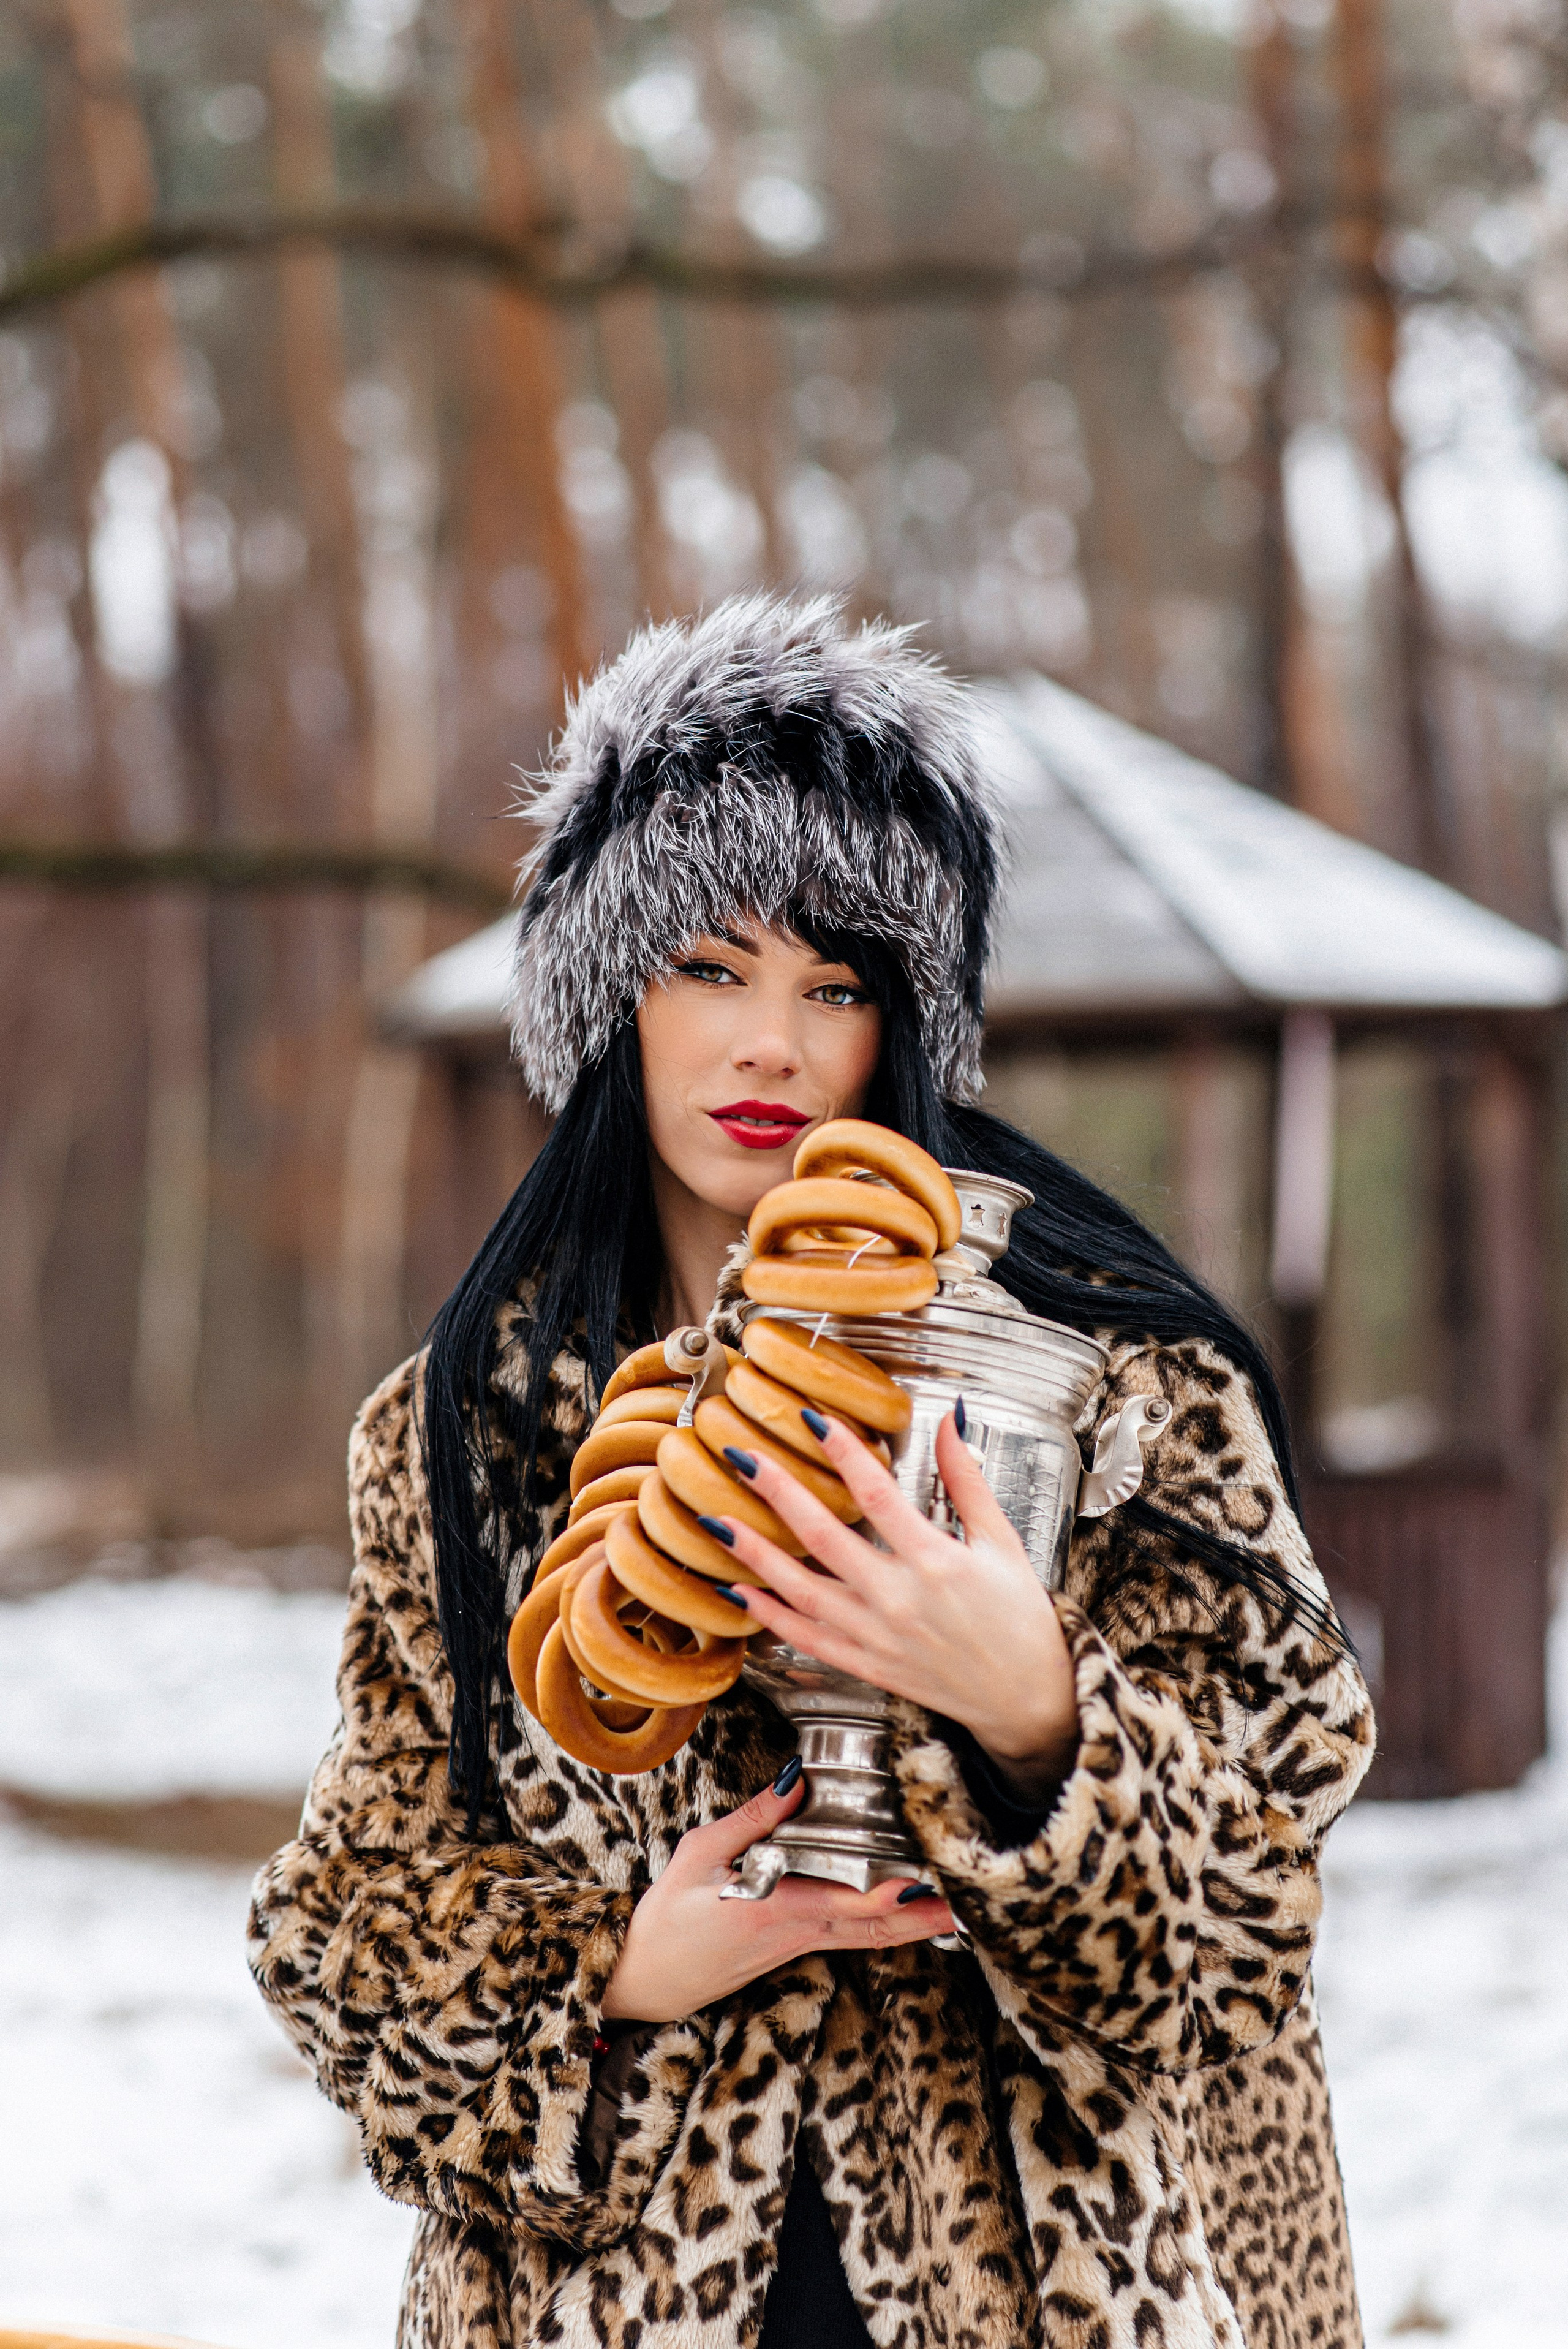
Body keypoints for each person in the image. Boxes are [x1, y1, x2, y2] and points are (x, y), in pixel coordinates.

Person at [249, 593, 1375, 2349]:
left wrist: (1038, 1715)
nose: (769, 1042)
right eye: (710, 967)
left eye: (835, 984)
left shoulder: (1112, 1378)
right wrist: (621, 1969)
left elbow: (1250, 1944)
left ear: (900, 1027)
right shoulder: (466, 1430)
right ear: (610, 992)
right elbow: (347, 1939)